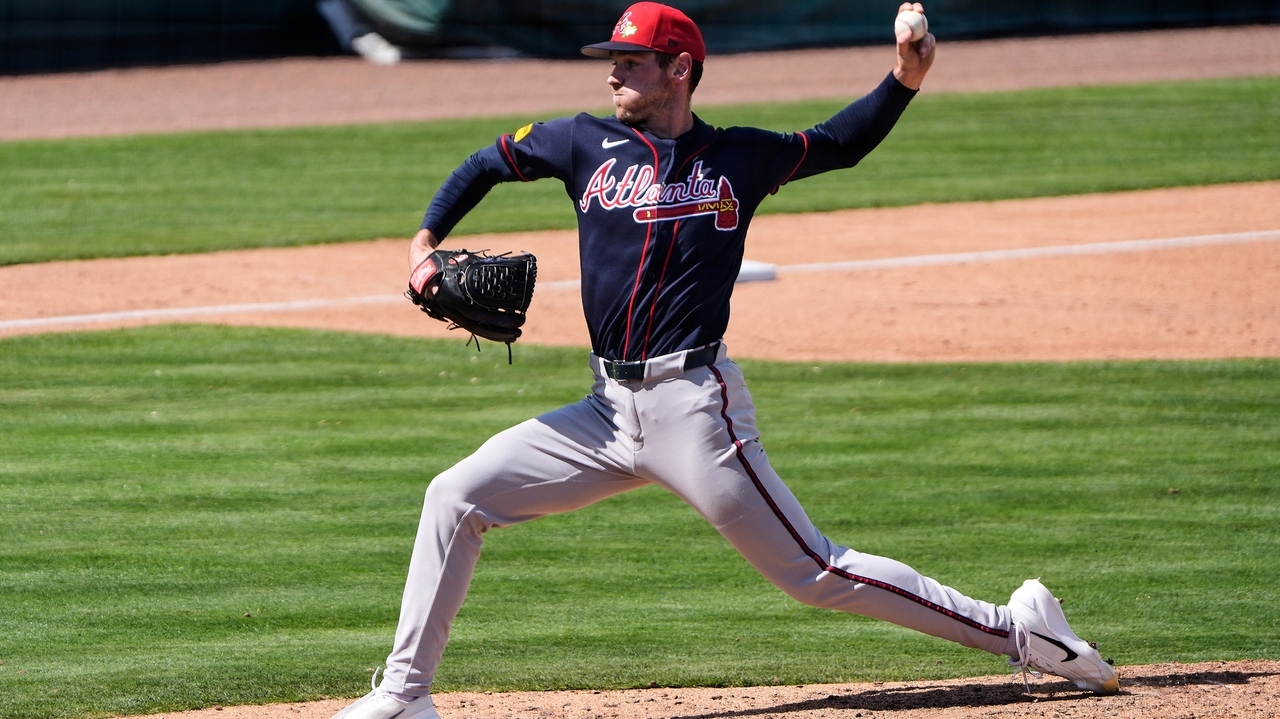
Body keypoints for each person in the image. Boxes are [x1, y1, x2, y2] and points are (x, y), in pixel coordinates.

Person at [333, 4, 1120, 718]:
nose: (613, 71)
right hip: (601, 414)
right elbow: (487, 162)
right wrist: (424, 241)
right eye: (611, 58)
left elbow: (839, 143)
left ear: (680, 69)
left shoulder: (738, 159)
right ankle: (405, 693)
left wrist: (905, 78)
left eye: (631, 61)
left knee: (818, 572)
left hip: (695, 412)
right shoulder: (582, 141)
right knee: (455, 495)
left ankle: (1021, 631)